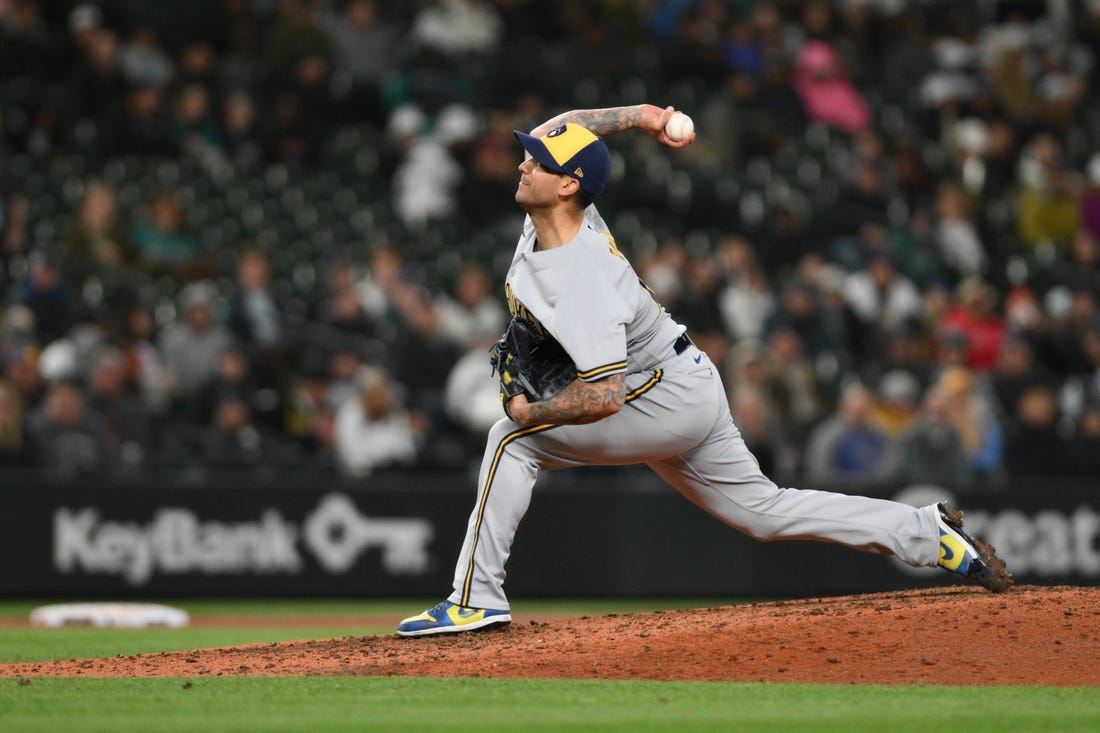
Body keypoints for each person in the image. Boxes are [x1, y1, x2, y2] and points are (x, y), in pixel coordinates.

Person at [389, 104, 1012, 638]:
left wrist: (534, 412)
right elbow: (571, 126)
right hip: (682, 381)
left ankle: (477, 599)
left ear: (567, 186)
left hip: (657, 394)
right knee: (765, 511)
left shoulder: (583, 278)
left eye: (536, 161)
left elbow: (605, 395)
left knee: (510, 439)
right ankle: (928, 535)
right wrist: (645, 117)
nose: (523, 160)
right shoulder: (562, 213)